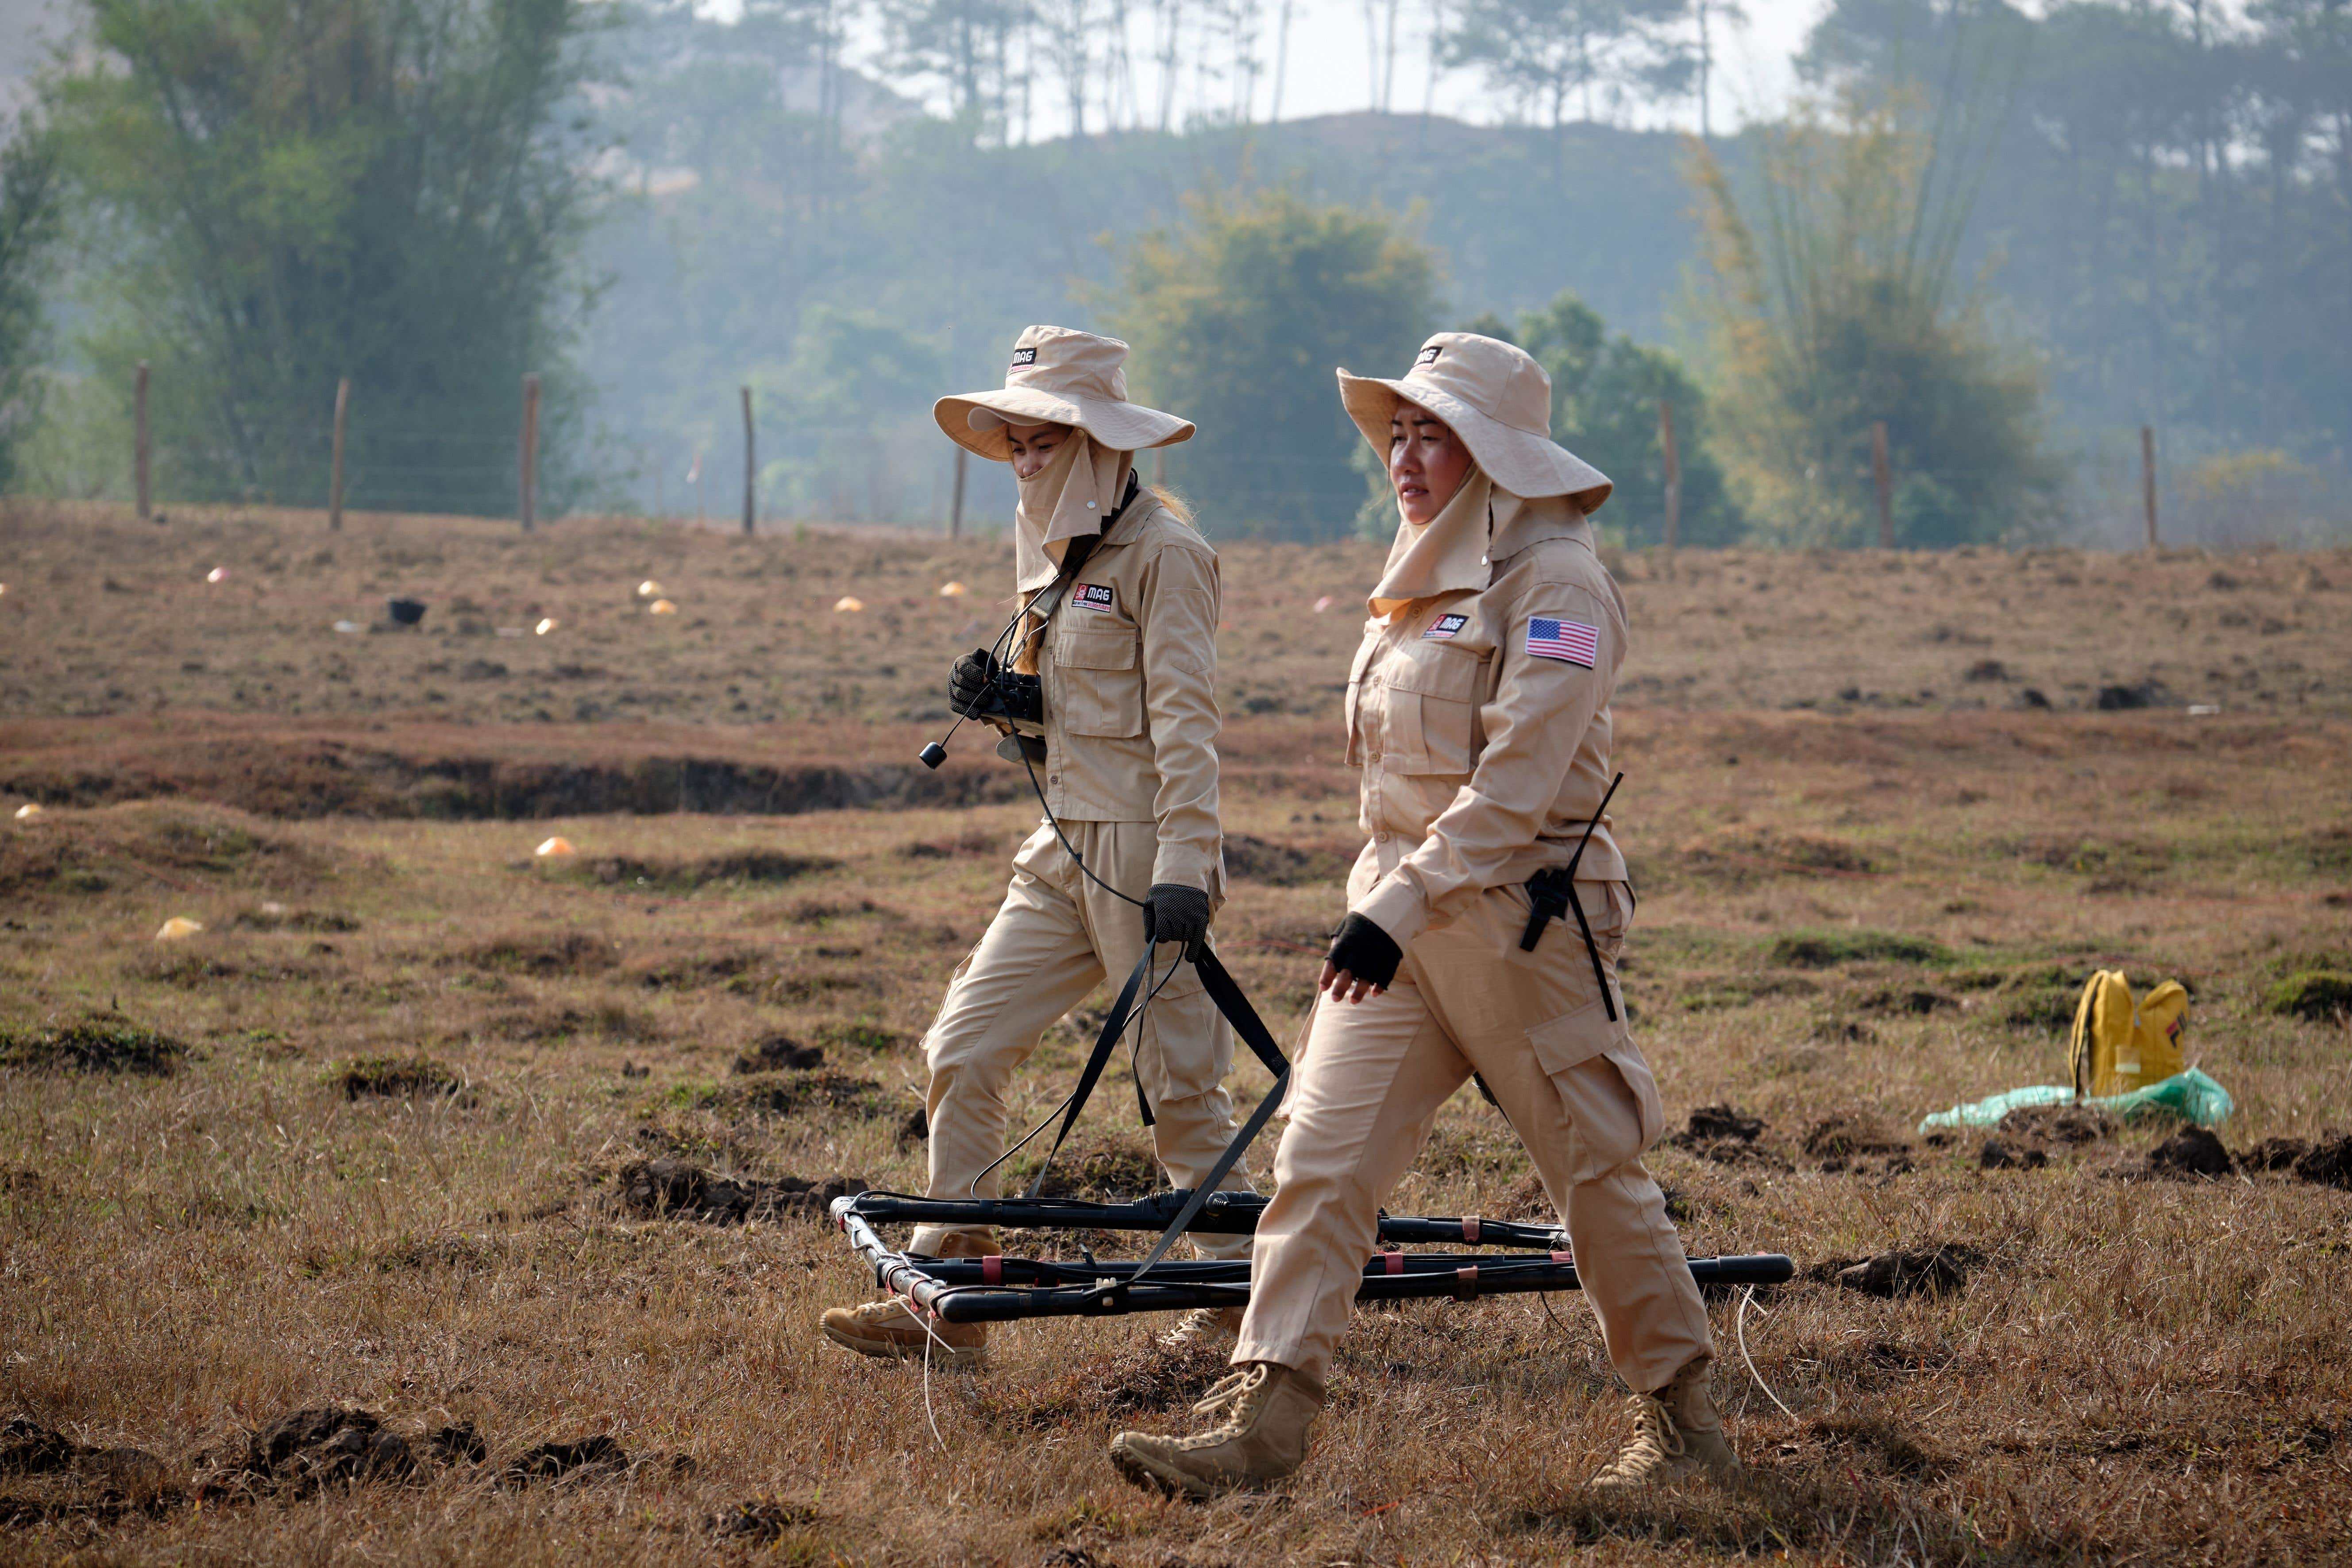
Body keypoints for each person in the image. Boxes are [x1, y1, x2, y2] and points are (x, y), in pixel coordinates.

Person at [1108, 332, 1734, 1496]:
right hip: (1398, 926)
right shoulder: (1419, 570)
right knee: (1319, 1161)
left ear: (1495, 450)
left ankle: (1686, 1431)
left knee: (1593, 1176)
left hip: (1519, 927)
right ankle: (1266, 1421)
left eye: (1431, 431)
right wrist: (1385, 901)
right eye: (1397, 430)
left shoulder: (1557, 581)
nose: (1403, 453)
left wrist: (1395, 903)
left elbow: (1517, 789)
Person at [821, 325, 1252, 1369]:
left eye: (1043, 441)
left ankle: (1245, 1303)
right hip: (1058, 849)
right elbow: (1072, 714)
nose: (1022, 459)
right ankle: (949, 1292)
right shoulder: (1048, 549)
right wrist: (1012, 705)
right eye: (1013, 440)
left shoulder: (1167, 556)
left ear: (1100, 443)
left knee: (1181, 1090)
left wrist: (1185, 869)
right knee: (961, 1045)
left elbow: (1187, 726)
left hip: (1146, 857)